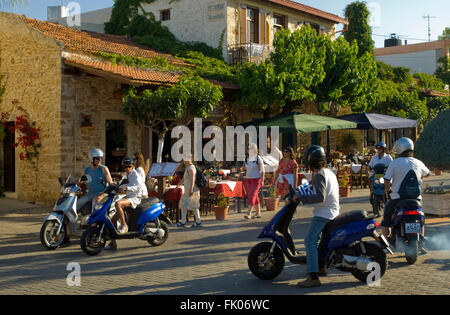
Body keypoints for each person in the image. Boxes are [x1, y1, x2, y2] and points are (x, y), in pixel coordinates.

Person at [292, 145, 340, 288]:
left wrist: (300, 199)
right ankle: (320, 266)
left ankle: (313, 277)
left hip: (324, 214)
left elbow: (320, 196)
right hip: (331, 211)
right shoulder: (328, 172)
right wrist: (300, 192)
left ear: (310, 160)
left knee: (309, 241)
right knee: (319, 241)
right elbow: (316, 189)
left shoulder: (319, 174)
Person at [380, 137, 430, 253]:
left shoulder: (394, 163)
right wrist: (419, 178)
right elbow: (428, 173)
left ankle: (385, 246)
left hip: (398, 199)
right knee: (420, 219)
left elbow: (386, 180)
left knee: (386, 221)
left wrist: (389, 190)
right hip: (416, 199)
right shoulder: (418, 162)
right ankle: (421, 245)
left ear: (399, 148)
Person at [76, 148, 114, 213]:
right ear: (92, 158)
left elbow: (110, 182)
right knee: (76, 204)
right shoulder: (86, 170)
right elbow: (79, 181)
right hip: (89, 194)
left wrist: (115, 186)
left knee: (95, 206)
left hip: (101, 194)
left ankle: (94, 222)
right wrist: (72, 184)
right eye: (97, 158)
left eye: (100, 158)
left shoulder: (103, 169)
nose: (99, 160)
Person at [176, 154, 202, 228]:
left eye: (184, 158)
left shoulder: (191, 168)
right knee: (185, 205)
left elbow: (192, 180)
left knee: (193, 206)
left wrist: (191, 189)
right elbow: (184, 179)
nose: (183, 160)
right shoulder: (188, 168)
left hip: (192, 190)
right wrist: (178, 185)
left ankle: (196, 222)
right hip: (188, 190)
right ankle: (190, 222)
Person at [242, 143, 265, 219]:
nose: (249, 150)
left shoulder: (258, 158)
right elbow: (243, 169)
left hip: (256, 180)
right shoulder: (246, 158)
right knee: (254, 196)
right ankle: (258, 213)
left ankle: (249, 213)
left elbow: (262, 170)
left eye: (251, 149)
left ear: (255, 150)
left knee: (252, 195)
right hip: (248, 180)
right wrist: (242, 175)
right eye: (248, 149)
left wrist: (262, 180)